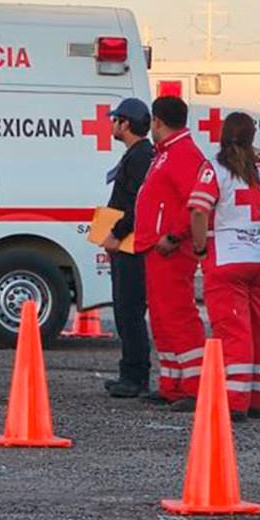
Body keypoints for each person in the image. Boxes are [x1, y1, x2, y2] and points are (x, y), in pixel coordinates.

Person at [188, 112, 260, 422]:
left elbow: (198, 210)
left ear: (223, 135)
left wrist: (199, 247)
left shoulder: (215, 169)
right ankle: (256, 400)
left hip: (227, 259)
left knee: (234, 331)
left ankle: (234, 401)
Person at [134, 95, 208, 411]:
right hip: (157, 246)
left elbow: (196, 203)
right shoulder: (167, 153)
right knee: (163, 317)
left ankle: (195, 386)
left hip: (171, 249)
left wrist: (175, 236)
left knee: (178, 315)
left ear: (157, 121)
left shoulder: (182, 154)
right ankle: (172, 383)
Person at [100, 98, 155, 399]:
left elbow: (137, 205)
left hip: (131, 246)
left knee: (129, 309)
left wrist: (116, 234)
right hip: (126, 244)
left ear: (127, 124)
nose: (111, 125)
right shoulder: (137, 155)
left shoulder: (139, 157)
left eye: (116, 120)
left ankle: (136, 377)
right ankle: (128, 372)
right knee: (124, 310)